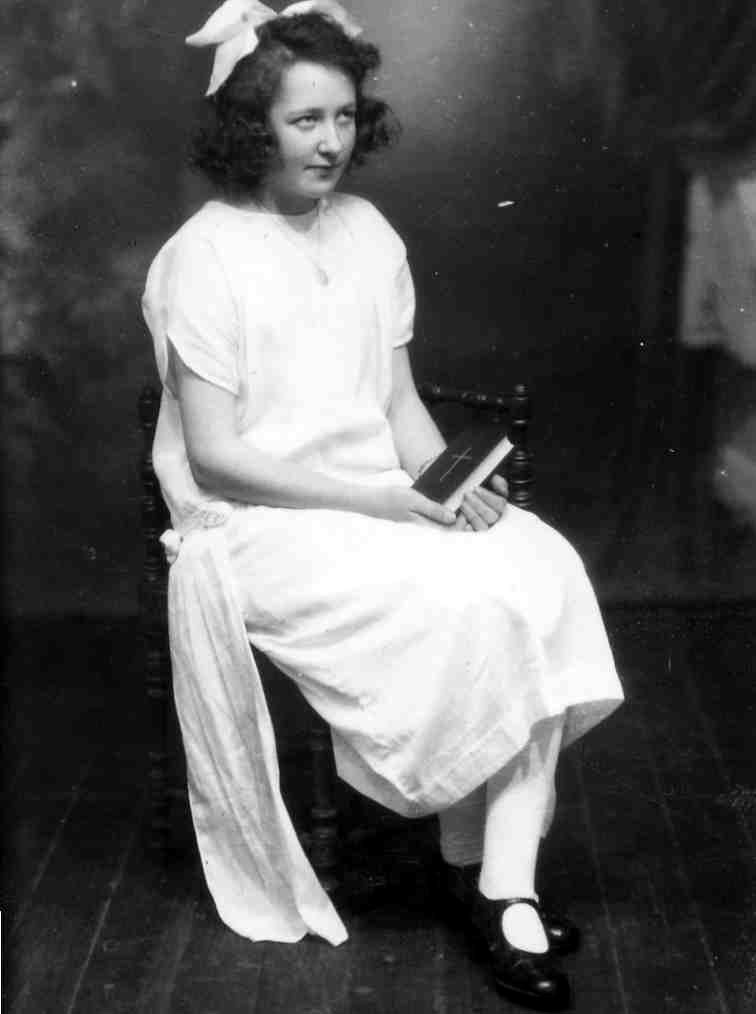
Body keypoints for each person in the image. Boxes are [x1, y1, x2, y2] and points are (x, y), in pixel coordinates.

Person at [142, 3, 624, 1009]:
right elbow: (219, 459)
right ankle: (489, 882)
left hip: (379, 501)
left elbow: (398, 405)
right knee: (470, 603)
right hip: (262, 529)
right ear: (250, 129)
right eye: (303, 120)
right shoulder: (203, 256)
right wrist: (387, 502)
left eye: (345, 117)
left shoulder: (367, 231)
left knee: (538, 562)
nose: (330, 141)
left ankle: (496, 877)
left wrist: (449, 485)